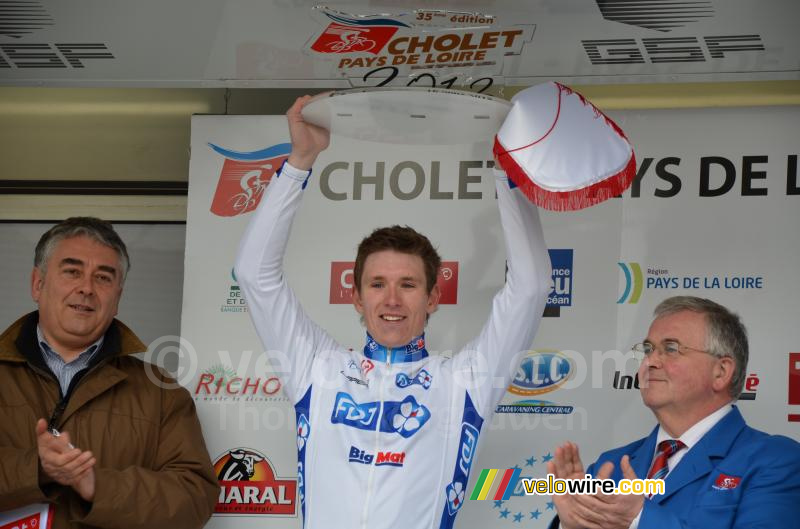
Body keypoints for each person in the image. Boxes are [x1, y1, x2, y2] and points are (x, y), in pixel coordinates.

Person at [234, 96, 552, 528]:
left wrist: (505, 172)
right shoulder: (316, 369)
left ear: (433, 298)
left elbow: (530, 289)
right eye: (377, 284)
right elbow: (254, 274)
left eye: (408, 285)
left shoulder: (463, 383)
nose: (392, 301)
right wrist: (300, 160)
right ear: (357, 298)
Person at [0, 217, 219, 529]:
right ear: (38, 283)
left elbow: (194, 498)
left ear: (117, 298)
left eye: (103, 278)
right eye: (72, 271)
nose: (87, 288)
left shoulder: (159, 391)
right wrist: (35, 469)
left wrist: (96, 485)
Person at [547, 296, 800, 529]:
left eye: (671, 349)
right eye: (648, 350)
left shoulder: (777, 461)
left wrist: (639, 518)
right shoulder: (609, 465)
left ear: (721, 372)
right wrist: (571, 527)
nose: (651, 361)